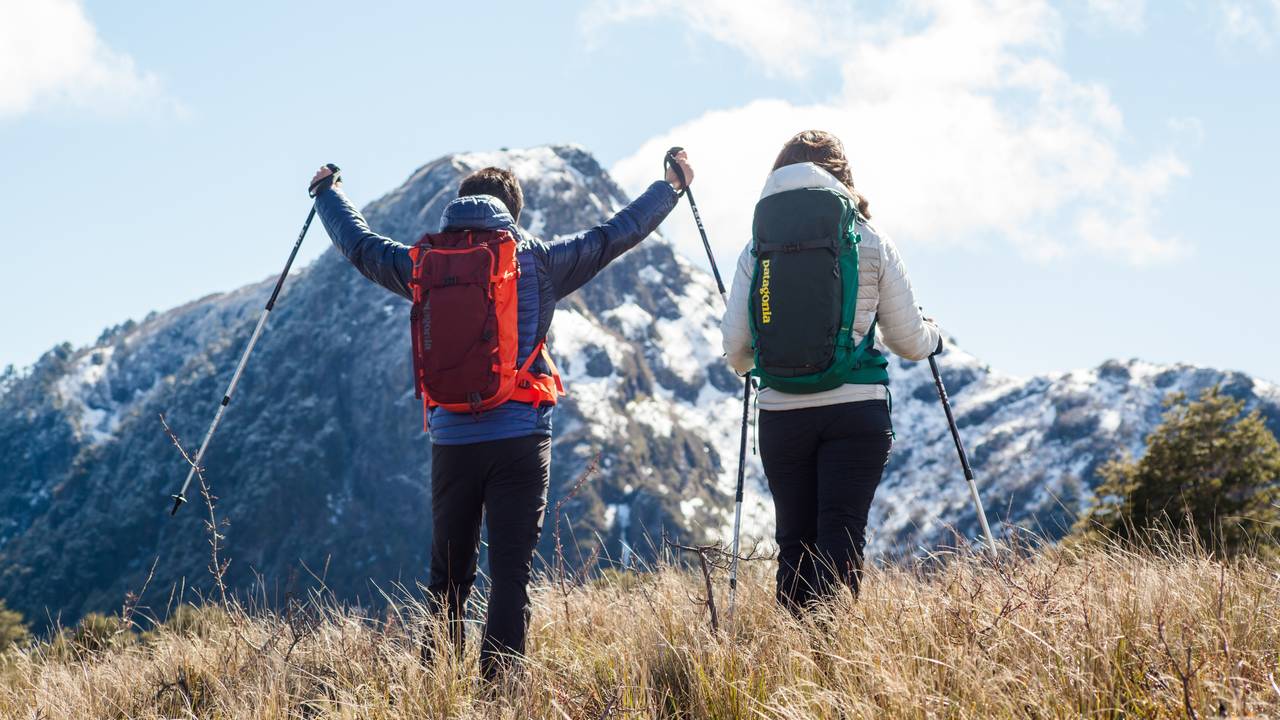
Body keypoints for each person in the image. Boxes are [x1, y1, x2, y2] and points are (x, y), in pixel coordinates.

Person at [308, 150, 693, 677]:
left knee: (448, 575)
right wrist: (669, 187)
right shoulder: (537, 260)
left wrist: (328, 194)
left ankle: (437, 689)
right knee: (510, 574)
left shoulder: (424, 264)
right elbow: (613, 235)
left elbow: (361, 246)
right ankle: (499, 693)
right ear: (513, 213)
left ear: (460, 207)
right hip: (520, 436)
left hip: (452, 442)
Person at [720, 130, 939, 614]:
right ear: (844, 178)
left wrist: (766, 361)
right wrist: (934, 337)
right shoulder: (871, 239)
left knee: (795, 541)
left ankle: (792, 665)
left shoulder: (758, 247)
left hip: (782, 413)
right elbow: (908, 341)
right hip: (856, 410)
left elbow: (735, 348)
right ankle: (834, 665)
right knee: (841, 532)